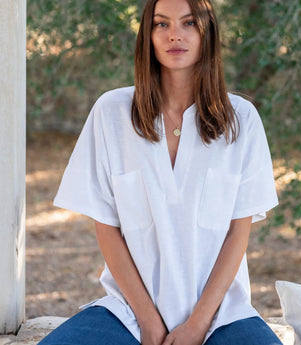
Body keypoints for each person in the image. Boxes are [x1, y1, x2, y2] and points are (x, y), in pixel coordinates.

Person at [38, 0, 283, 344]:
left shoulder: (241, 120)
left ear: (206, 33)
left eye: (188, 23)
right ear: (147, 36)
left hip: (220, 314)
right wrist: (149, 321)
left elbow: (236, 235)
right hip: (128, 312)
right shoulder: (112, 113)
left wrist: (198, 325)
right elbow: (107, 230)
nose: (174, 35)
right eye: (161, 24)